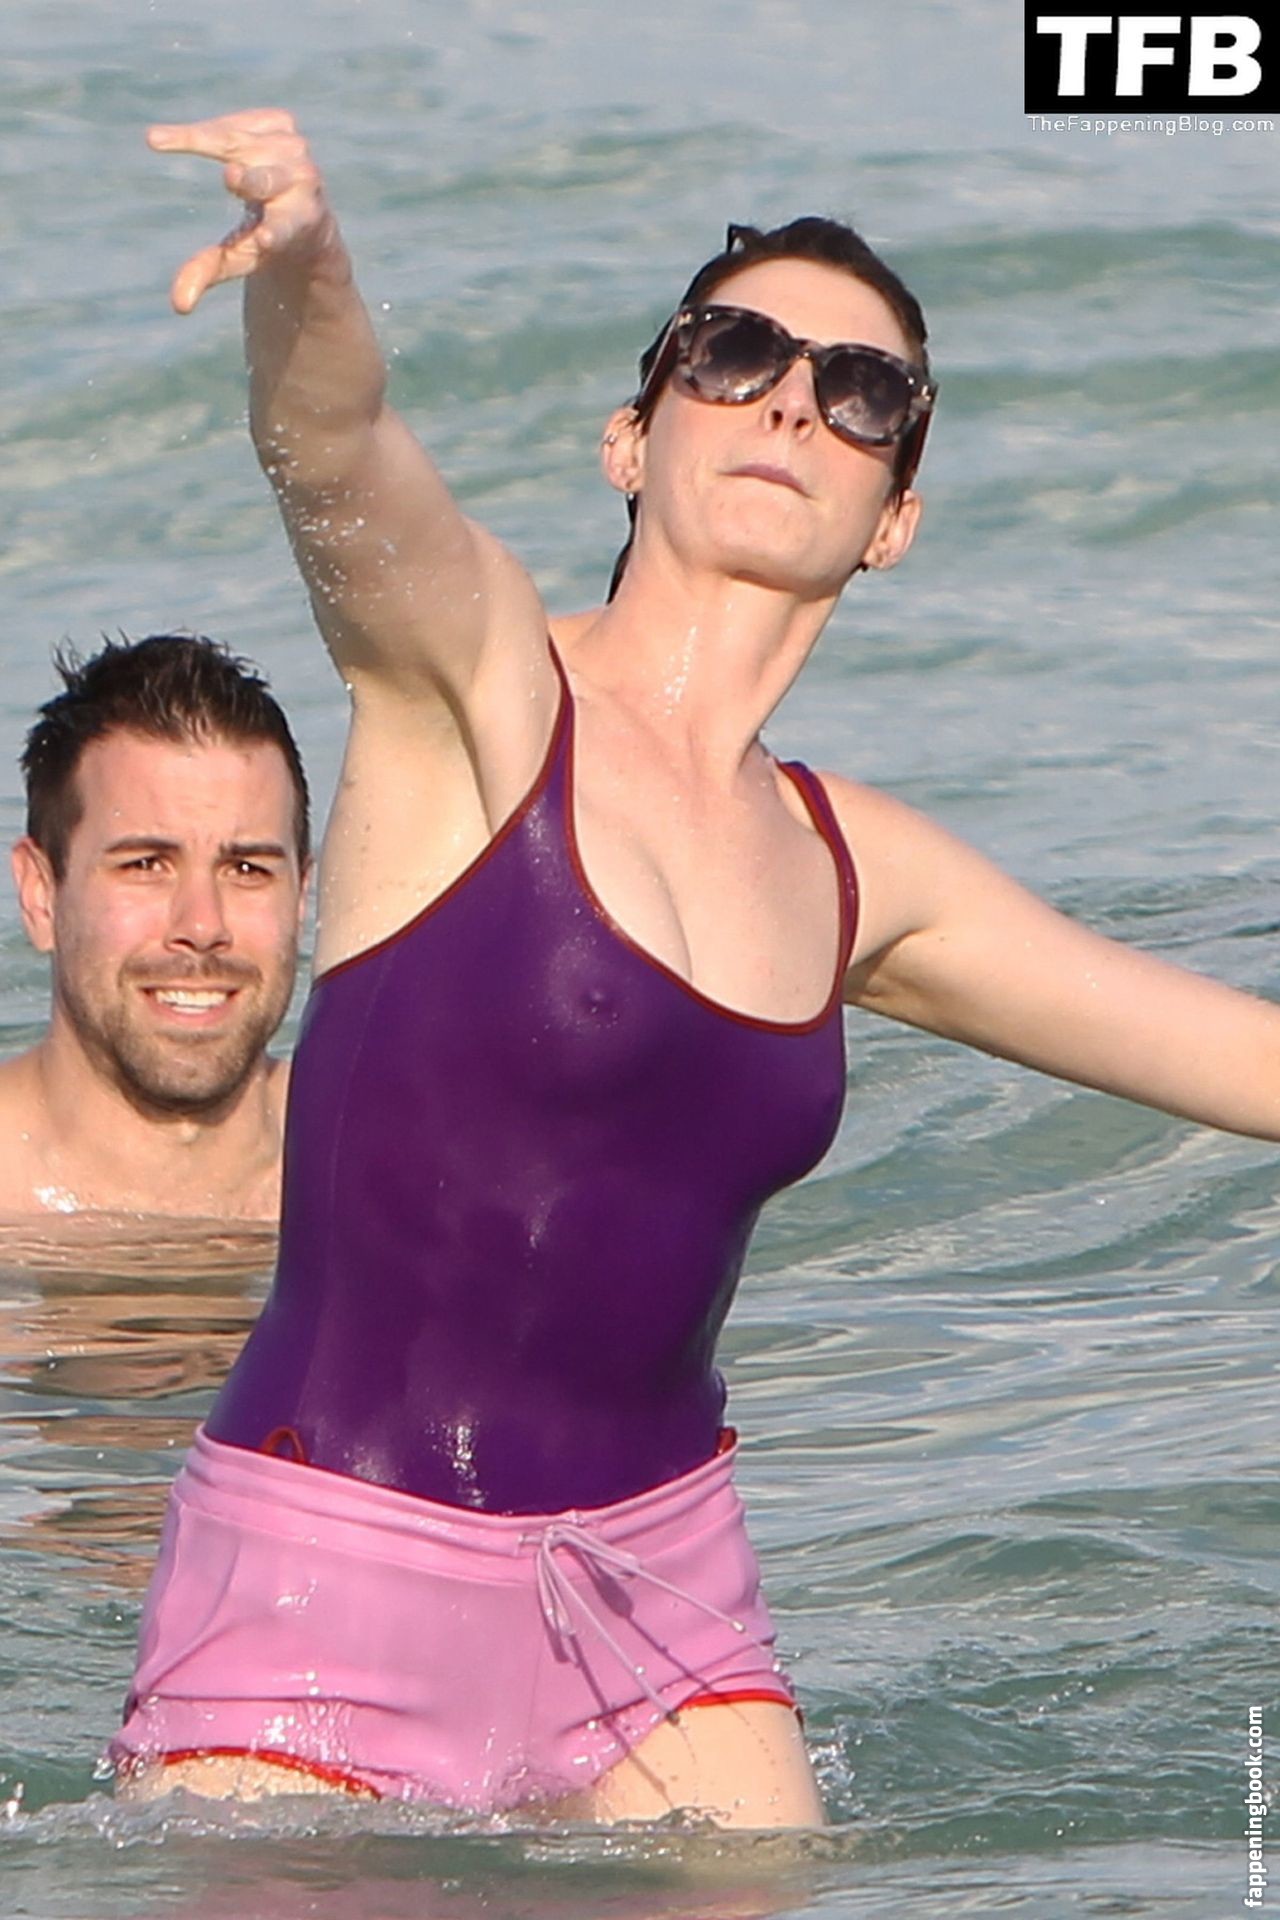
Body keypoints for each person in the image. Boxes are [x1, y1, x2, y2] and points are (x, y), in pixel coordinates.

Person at [115, 110, 1280, 1828]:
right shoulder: (473, 690)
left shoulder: (855, 868)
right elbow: (335, 446)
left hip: (665, 1606)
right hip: (332, 1561)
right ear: (630, 434)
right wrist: (309, 268)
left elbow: (1245, 1060)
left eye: (860, 392)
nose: (793, 404)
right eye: (734, 355)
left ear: (894, 519)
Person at [0, 633, 311, 1224]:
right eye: (145, 865)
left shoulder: (390, 1166)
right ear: (41, 895)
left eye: (247, 869)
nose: (202, 925)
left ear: (301, 896)